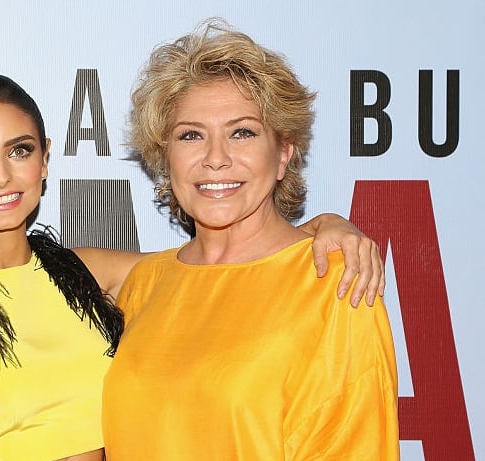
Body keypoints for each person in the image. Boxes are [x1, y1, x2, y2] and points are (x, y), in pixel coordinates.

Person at [0, 73, 386, 461]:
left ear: (45, 160)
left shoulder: (87, 273)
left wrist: (327, 226)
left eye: (19, 150)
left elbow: (228, 269)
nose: (0, 176)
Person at [101, 19, 399, 460]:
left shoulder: (335, 283)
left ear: (283, 153)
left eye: (242, 132)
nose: (216, 158)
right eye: (191, 135)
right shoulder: (143, 282)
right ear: (165, 156)